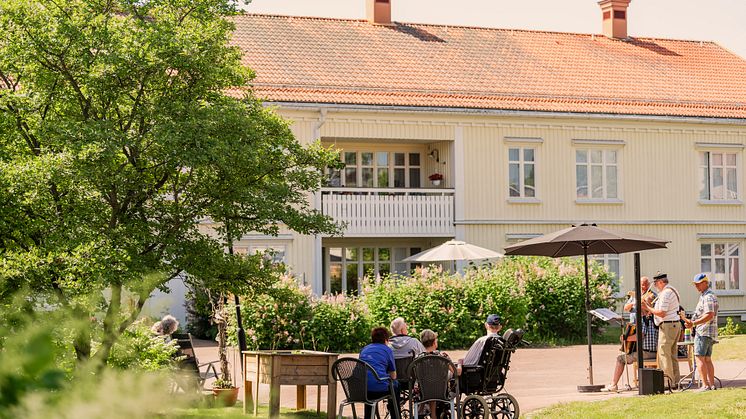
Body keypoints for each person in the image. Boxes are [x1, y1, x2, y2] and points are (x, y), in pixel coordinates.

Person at [604, 277, 658, 392]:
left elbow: (641, 335)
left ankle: (613, 385)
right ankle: (642, 382)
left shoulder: (643, 319)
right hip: (655, 351)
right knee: (631, 352)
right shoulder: (656, 318)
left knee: (620, 358)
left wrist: (626, 338)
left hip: (647, 352)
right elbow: (627, 308)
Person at [643, 272, 682, 387]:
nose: (655, 286)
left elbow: (662, 313)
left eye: (655, 283)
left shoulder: (666, 293)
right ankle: (675, 381)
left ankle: (668, 382)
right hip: (673, 324)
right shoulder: (670, 290)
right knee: (672, 354)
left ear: (660, 282)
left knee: (664, 354)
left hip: (668, 325)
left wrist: (647, 307)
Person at [685, 273, 719, 391]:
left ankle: (705, 385)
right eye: (695, 284)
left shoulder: (708, 297)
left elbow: (709, 315)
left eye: (698, 284)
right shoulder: (706, 296)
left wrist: (693, 323)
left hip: (704, 332)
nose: (696, 286)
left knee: (699, 358)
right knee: (707, 359)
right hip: (708, 332)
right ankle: (711, 385)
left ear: (705, 283)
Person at [359, 327, 401, 419]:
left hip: (361, 390)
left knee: (369, 382)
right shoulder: (387, 350)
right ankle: (396, 416)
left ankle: (368, 416)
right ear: (386, 339)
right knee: (396, 385)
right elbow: (393, 376)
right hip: (378, 390)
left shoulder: (364, 349)